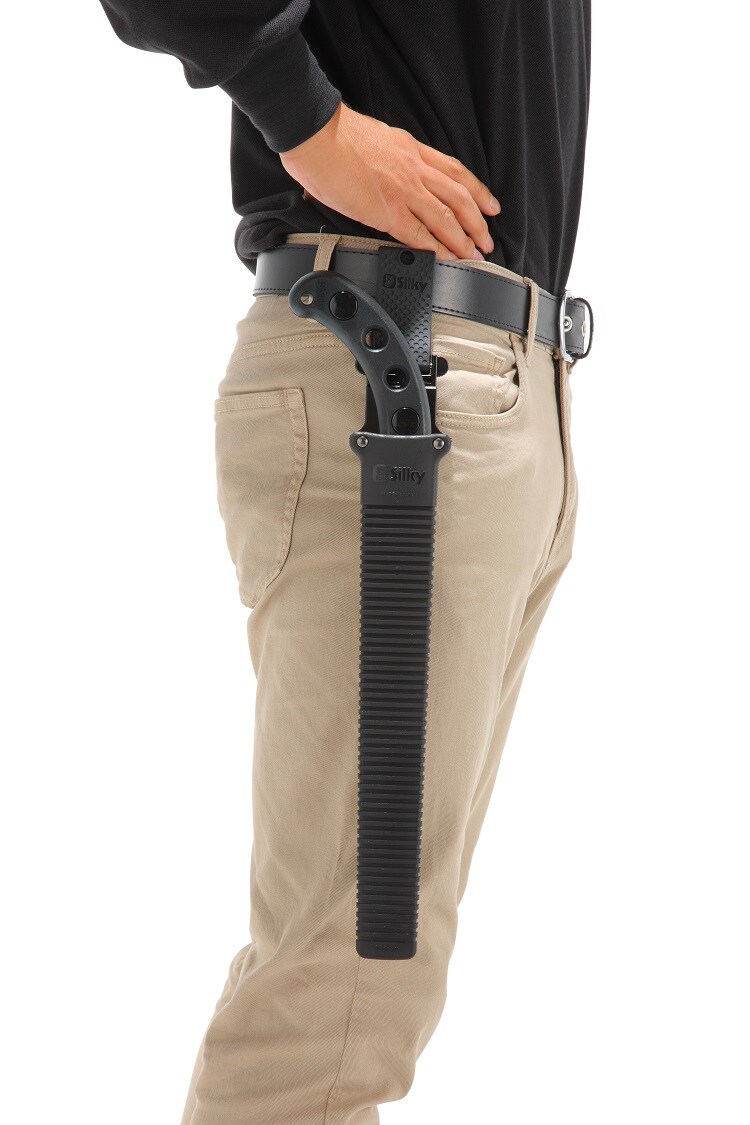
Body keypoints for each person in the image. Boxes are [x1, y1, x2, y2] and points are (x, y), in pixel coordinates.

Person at [97, 1, 592, 1121]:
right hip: (399, 381)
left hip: (485, 381)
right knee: (332, 1011)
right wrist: (306, 118)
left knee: (367, 983)